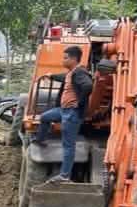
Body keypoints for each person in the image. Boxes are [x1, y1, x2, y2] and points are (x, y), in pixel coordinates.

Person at [33, 45, 93, 184]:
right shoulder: (71, 73)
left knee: (68, 145)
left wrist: (79, 102)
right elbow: (64, 77)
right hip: (63, 110)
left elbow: (88, 86)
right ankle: (40, 140)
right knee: (45, 117)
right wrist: (51, 76)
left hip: (72, 114)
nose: (63, 60)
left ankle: (65, 176)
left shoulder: (80, 73)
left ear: (73, 59)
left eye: (65, 58)